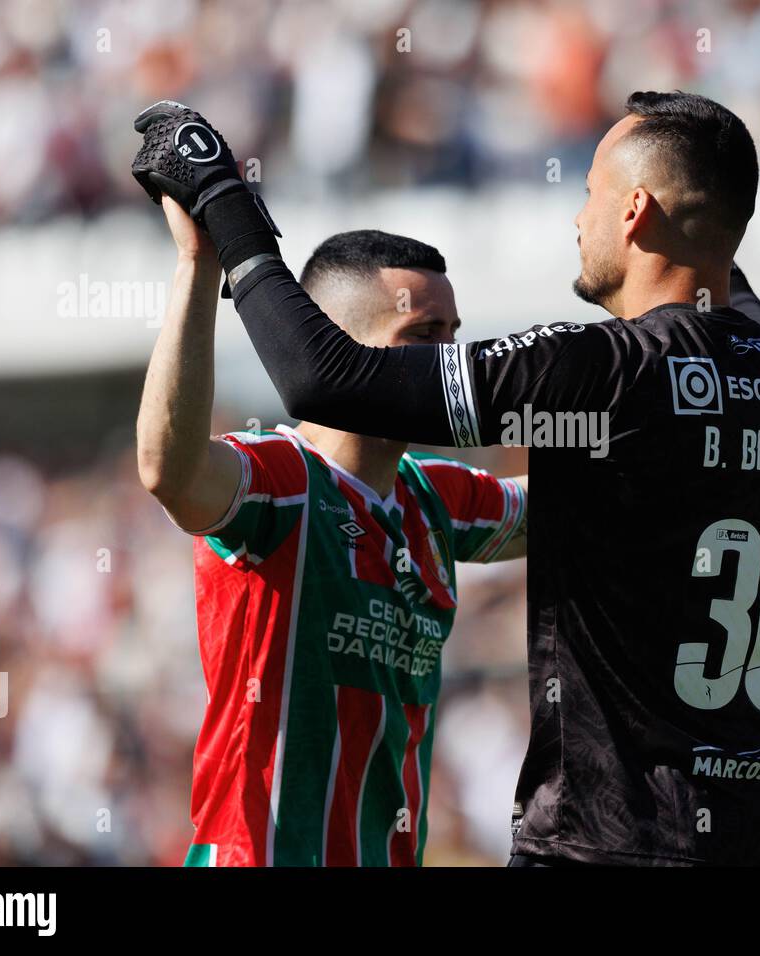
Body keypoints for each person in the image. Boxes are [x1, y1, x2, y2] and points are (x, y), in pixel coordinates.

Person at [132, 90, 760, 865]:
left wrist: (222, 205)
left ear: (635, 211)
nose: (579, 220)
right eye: (422, 335)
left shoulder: (599, 378)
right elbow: (171, 468)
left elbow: (323, 379)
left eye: (590, 195)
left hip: (614, 839)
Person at [135, 195, 526, 866]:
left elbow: (577, 503)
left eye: (454, 335)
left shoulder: (435, 495)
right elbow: (168, 469)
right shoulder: (282, 481)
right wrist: (199, 264)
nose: (449, 362)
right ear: (338, 344)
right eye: (423, 336)